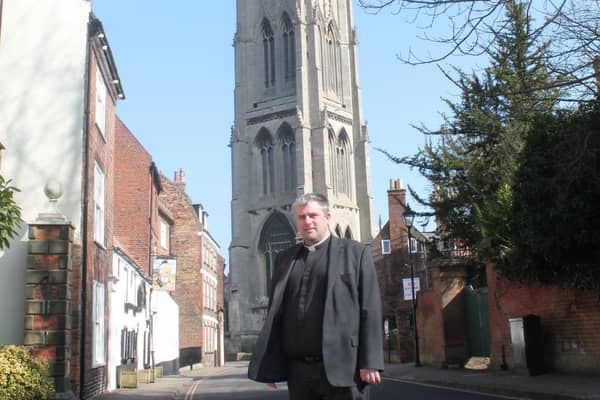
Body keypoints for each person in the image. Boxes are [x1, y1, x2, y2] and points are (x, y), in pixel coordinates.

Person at [248, 193, 384, 399]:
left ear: (327, 217)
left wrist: (370, 361)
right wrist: (270, 362)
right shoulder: (285, 259)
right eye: (302, 217)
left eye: (313, 215)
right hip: (299, 373)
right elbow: (276, 315)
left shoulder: (356, 254)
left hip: (345, 369)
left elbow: (370, 309)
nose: (307, 221)